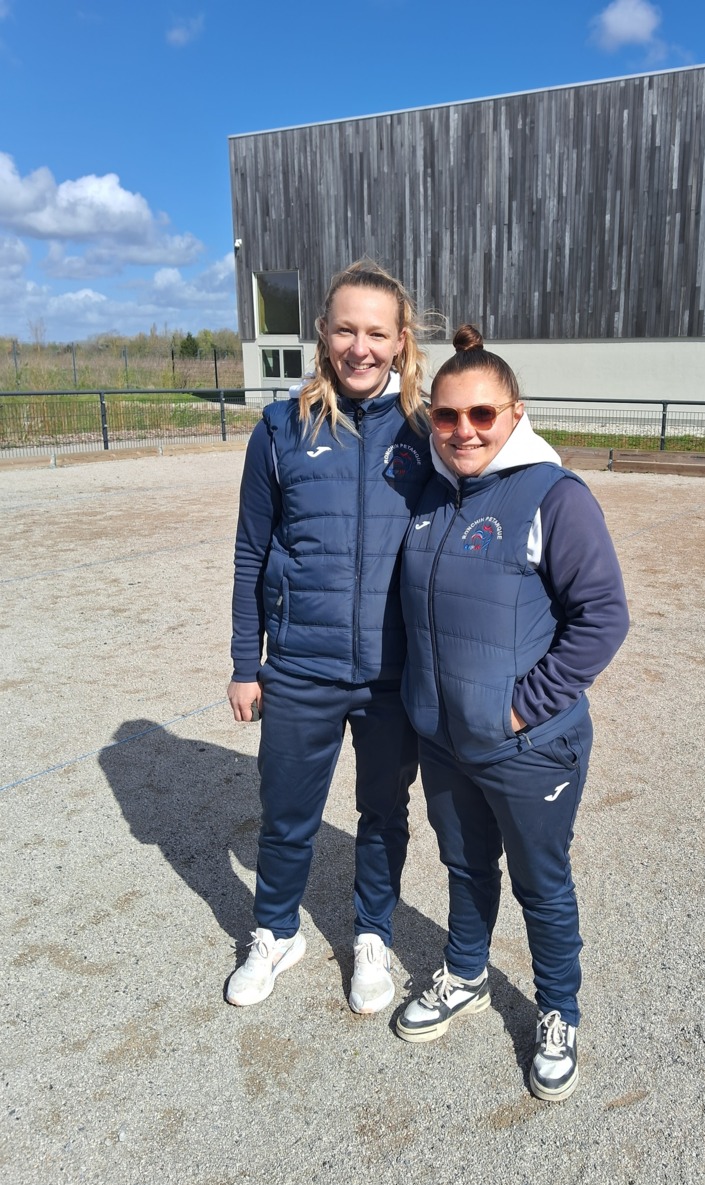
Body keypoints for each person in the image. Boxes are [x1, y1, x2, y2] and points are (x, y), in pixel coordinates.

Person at [395, 325, 629, 1101]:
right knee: (464, 865)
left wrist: (521, 710)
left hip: (527, 747)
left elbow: (603, 617)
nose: (464, 430)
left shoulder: (554, 496)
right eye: (447, 415)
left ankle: (559, 1010)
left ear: (515, 414)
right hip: (444, 739)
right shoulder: (429, 494)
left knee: (540, 882)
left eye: (482, 414)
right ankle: (466, 973)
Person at [226, 261, 433, 1015]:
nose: (360, 347)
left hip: (392, 672)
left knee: (383, 814)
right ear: (323, 332)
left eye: (377, 332)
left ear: (401, 340)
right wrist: (245, 662)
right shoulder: (280, 429)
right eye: (346, 329)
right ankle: (276, 932)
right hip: (300, 666)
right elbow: (251, 552)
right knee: (286, 813)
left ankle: (372, 934)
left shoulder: (429, 432)